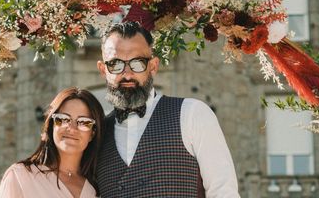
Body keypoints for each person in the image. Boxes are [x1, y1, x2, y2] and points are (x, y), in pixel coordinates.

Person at [96, 21, 240, 197]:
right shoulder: (97, 134)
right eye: (115, 64)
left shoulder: (192, 114)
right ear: (103, 69)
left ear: (153, 66)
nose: (127, 73)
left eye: (137, 63)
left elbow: (223, 192)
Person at [0, 87, 105, 198]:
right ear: (52, 125)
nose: (72, 128)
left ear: (92, 133)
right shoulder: (19, 176)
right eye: (63, 119)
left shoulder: (99, 187)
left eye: (83, 122)